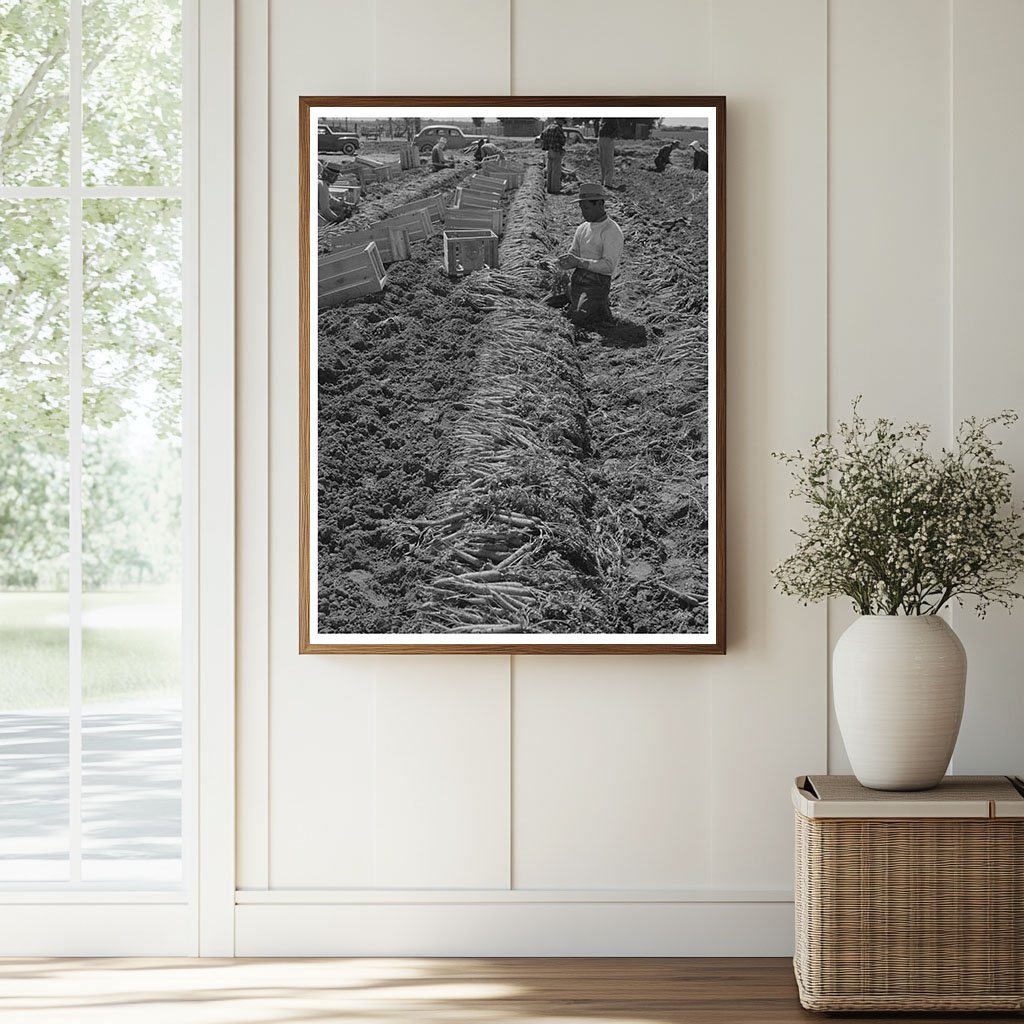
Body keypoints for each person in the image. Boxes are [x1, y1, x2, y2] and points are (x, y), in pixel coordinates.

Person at [553, 182, 624, 326]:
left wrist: (580, 262)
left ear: (599, 204)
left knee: (578, 318)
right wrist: (555, 264)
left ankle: (598, 305)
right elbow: (573, 255)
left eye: (586, 208)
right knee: (545, 304)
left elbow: (608, 267)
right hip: (577, 280)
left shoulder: (611, 231)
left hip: (597, 285)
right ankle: (573, 295)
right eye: (581, 208)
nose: (583, 212)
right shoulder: (582, 228)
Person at [539, 117, 566, 194]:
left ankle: (549, 188)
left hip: (549, 150)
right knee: (556, 171)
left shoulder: (548, 127)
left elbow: (542, 136)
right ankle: (555, 189)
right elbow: (562, 141)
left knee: (549, 170)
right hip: (556, 150)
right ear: (559, 121)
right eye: (562, 121)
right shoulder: (558, 129)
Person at [597, 116, 619, 188]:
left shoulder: (612, 118)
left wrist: (610, 138)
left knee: (608, 160)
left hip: (608, 138)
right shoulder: (603, 118)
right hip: (601, 138)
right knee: (602, 161)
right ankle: (603, 181)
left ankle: (608, 182)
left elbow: (617, 129)